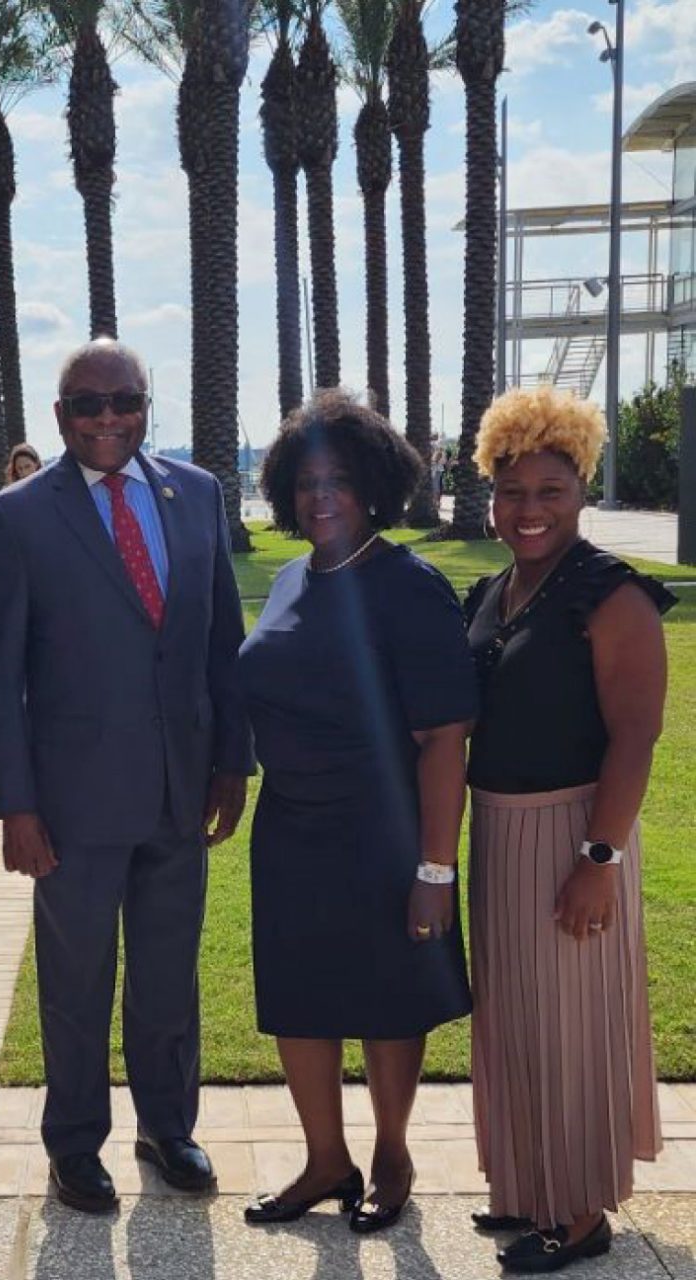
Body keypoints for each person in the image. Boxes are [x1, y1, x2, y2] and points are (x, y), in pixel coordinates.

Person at [0, 337, 253, 1213]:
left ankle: (168, 1127)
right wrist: (16, 804)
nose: (108, 420)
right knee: (77, 981)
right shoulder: (18, 515)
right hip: (73, 806)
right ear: (60, 419)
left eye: (123, 402)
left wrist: (233, 762)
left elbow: (221, 642)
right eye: (89, 406)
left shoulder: (197, 493)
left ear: (145, 405)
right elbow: (1, 678)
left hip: (181, 788)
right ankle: (74, 1146)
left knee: (169, 977)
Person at [237, 391, 476, 1234]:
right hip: (290, 827)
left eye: (338, 479)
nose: (320, 497)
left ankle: (391, 1153)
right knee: (299, 998)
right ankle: (324, 1158)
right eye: (305, 482)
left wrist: (433, 872)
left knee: (386, 998)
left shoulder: (410, 585)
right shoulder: (294, 576)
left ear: (374, 484)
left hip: (382, 832)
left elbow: (446, 739)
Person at [463, 385, 673, 1274]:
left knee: (572, 1024)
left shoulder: (611, 594)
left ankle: (580, 1212)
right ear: (489, 495)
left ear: (582, 488)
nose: (529, 510)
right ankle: (526, 1185)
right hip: (496, 830)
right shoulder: (490, 589)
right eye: (512, 492)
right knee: (512, 1017)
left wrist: (599, 857)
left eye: (550, 490)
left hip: (575, 834)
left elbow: (637, 734)